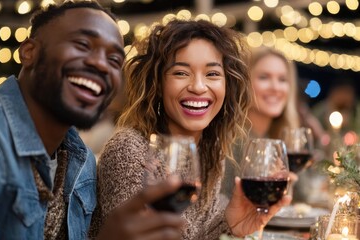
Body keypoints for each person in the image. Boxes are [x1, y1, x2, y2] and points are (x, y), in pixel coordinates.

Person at [0, 1, 184, 239]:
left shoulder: (81, 162)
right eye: (83, 45)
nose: (100, 64)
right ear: (29, 52)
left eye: (115, 60)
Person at [92, 19, 291, 239]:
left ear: (227, 86)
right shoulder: (130, 151)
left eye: (212, 74)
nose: (198, 87)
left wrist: (230, 225)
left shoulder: (210, 153)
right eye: (181, 73)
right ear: (158, 84)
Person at [221, 47, 300, 199]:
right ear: (244, 83)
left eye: (282, 79)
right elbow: (221, 205)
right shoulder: (231, 141)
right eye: (264, 77)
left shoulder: (276, 138)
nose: (275, 87)